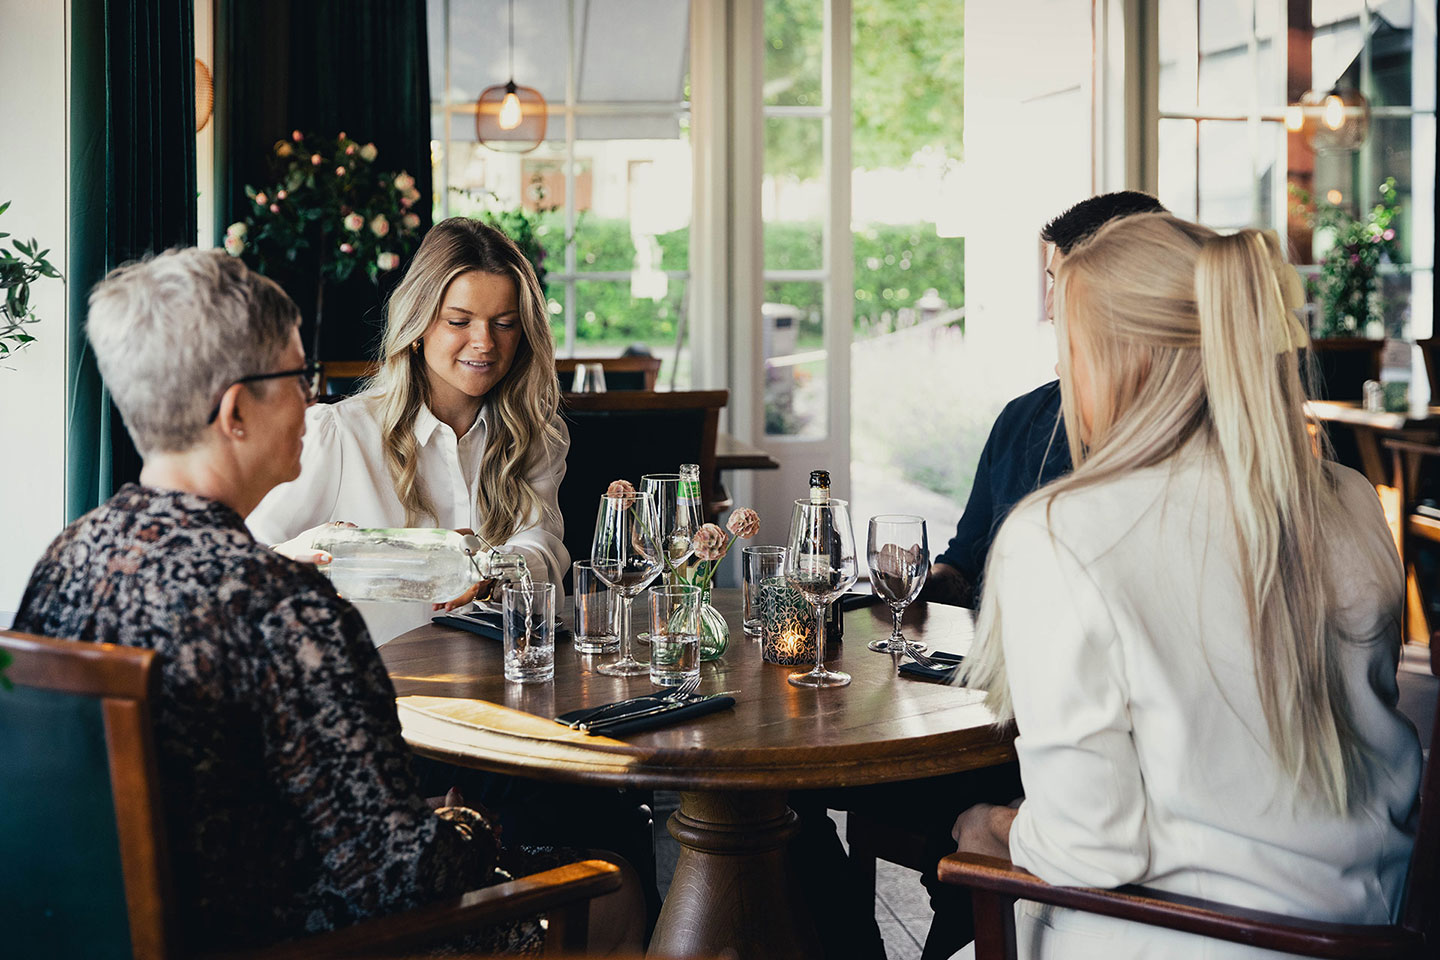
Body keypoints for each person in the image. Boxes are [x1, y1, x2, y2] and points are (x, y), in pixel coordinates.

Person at [12, 249, 643, 954]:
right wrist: (468, 828)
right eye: (296, 379)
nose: (315, 405)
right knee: (609, 877)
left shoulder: (70, 557)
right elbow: (399, 877)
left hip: (117, 935)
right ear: (236, 411)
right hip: (301, 941)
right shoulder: (287, 609)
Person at [953, 213, 1423, 959]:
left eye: (1068, 345)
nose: (1063, 373)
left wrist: (995, 828)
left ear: (1117, 358)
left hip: (1175, 940)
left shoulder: (1061, 532)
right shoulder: (1348, 496)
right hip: (1365, 930)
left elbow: (1088, 850)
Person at [247, 217, 569, 647]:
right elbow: (244, 563)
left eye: (504, 323)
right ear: (418, 326)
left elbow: (543, 547)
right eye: (459, 321)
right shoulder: (339, 434)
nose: (485, 342)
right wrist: (301, 556)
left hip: (500, 683)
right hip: (375, 692)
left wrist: (493, 567)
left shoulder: (535, 434)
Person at [925, 191, 1167, 608]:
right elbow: (961, 567)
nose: (1051, 306)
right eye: (1051, 278)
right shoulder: (1020, 419)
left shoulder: (1181, 442)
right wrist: (914, 585)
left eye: (1066, 281)